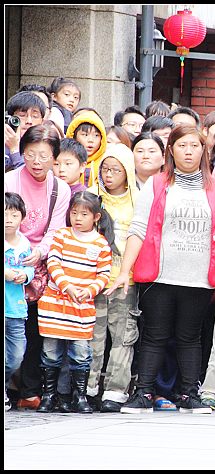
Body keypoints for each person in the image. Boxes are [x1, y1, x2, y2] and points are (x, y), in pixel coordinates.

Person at [108, 125, 215, 414]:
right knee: (154, 335)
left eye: (194, 145)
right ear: (171, 150)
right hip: (159, 275)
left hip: (199, 278)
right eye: (182, 145)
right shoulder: (156, 184)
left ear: (204, 150)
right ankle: (143, 393)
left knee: (190, 337)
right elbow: (138, 229)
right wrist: (123, 271)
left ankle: (189, 394)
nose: (188, 151)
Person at [6, 124, 71, 411]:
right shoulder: (9, 181)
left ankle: (29, 390)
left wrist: (39, 252)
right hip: (8, 256)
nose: (36, 162)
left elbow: (55, 229)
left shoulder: (60, 188)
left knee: (32, 328)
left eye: (44, 156)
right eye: (31, 154)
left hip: (37, 265)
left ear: (54, 157)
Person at [36, 192, 114, 414]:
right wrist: (67, 286)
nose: (78, 218)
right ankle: (49, 395)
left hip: (81, 306)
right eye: (74, 213)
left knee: (81, 353)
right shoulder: (62, 235)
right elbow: (53, 263)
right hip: (56, 303)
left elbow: (103, 275)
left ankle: (79, 396)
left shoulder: (101, 244)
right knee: (51, 352)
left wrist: (89, 291)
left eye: (84, 214)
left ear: (96, 217)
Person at [86, 143, 140, 412]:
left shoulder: (138, 201)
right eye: (105, 169)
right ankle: (88, 387)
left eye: (115, 170)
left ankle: (115, 390)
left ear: (127, 172)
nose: (108, 175)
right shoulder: (91, 198)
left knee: (123, 336)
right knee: (92, 335)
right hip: (94, 279)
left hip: (126, 279)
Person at [4, 192, 35, 412]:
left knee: (16, 356)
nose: (8, 220)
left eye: (14, 215)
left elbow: (30, 268)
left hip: (16, 308)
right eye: (5, 214)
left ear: (22, 218)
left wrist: (25, 275)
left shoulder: (24, 244)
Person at [5, 91, 47, 171]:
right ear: (10, 118)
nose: (29, 121)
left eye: (35, 116)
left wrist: (14, 149)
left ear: (42, 121)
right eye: (22, 115)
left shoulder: (47, 146)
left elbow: (30, 175)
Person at [65, 109, 107, 188]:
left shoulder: (105, 163)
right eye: (85, 135)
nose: (91, 140)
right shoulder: (64, 159)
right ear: (74, 136)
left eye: (96, 135)